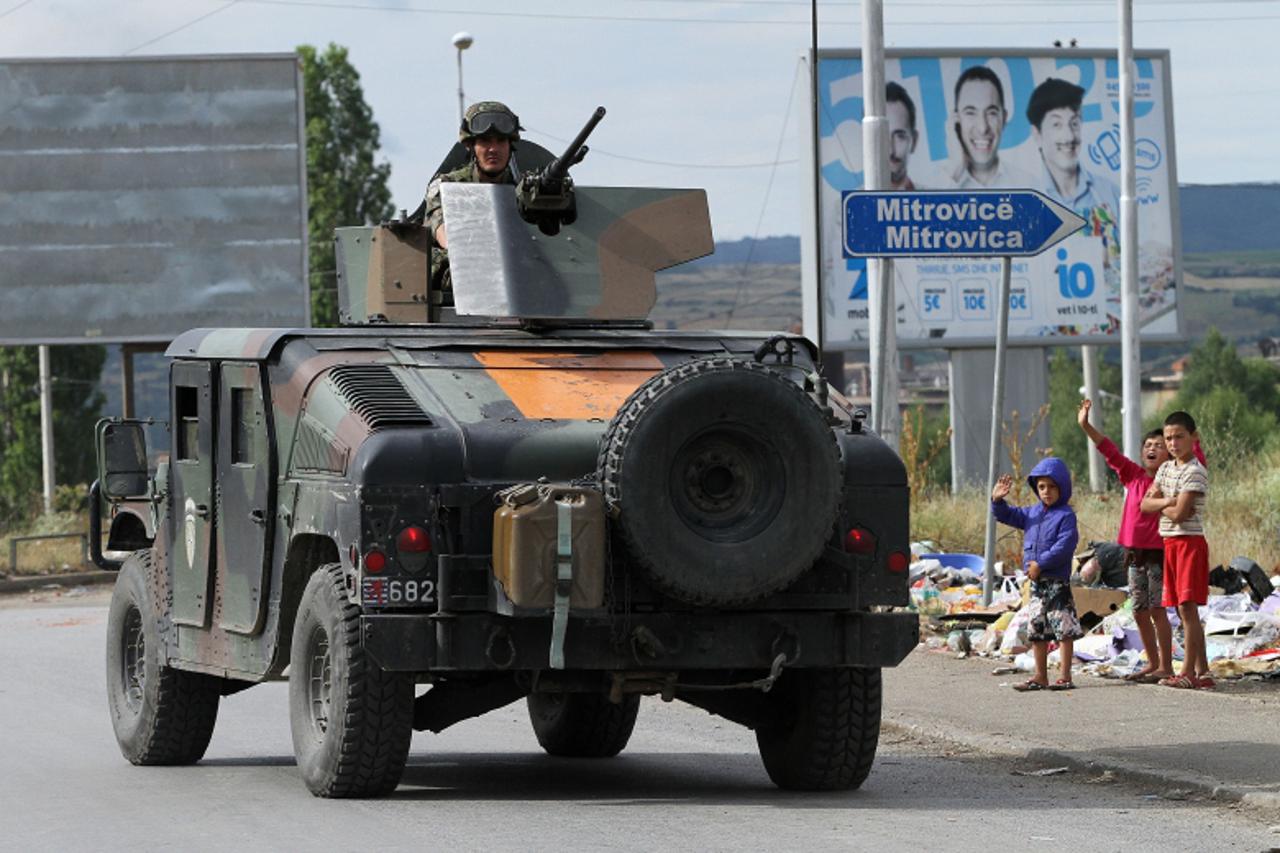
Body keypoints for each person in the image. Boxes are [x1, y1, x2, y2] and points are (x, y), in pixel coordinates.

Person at [1077, 399, 1175, 683]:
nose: (1152, 449)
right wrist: (1085, 425)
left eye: (1159, 445)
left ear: (1169, 453)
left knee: (1158, 609)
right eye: (1148, 445)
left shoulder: (1171, 481)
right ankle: (1153, 663)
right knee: (1140, 610)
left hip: (1157, 553)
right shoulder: (1133, 476)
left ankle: (1166, 666)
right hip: (1133, 554)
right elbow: (1109, 450)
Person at [991, 457, 1083, 691]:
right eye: (1042, 487)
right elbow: (1008, 515)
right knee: (1037, 629)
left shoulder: (1065, 516)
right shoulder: (1032, 513)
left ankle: (1065, 676)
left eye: (1052, 486)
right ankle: (1040, 676)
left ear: (1062, 488)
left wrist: (1040, 564)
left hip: (1056, 582)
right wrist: (997, 501)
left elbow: (1064, 546)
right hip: (1037, 583)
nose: (1046, 491)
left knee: (1063, 629)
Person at [1141, 411, 1212, 690]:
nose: (1173, 443)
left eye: (1179, 436)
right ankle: (1203, 671)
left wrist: (1163, 504)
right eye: (1168, 438)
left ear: (1193, 438)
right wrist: (1169, 500)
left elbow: (1182, 514)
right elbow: (1144, 506)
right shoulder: (1165, 469)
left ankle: (1187, 672)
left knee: (1187, 608)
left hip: (1189, 543)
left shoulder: (1195, 471)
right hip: (1169, 542)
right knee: (1184, 608)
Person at [424, 101, 523, 290]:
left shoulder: (521, 190)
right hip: (462, 280)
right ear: (471, 146)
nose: (493, 149)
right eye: (485, 141)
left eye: (501, 141)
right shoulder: (447, 185)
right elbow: (441, 227)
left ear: (510, 146)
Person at [1026, 78, 1121, 219]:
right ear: (1037, 134)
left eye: (1074, 123)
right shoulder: (1025, 200)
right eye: (1057, 124)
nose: (1069, 137)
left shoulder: (1109, 192)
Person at [943, 66, 1032, 189]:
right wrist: (954, 172)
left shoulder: (1029, 187)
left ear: (1004, 119)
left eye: (991, 113)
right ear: (956, 120)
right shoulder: (934, 183)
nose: (982, 128)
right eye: (970, 112)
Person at [885, 82, 919, 191]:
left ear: (914, 141)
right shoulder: (844, 206)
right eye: (881, 137)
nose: (891, 151)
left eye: (900, 136)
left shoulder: (933, 203)